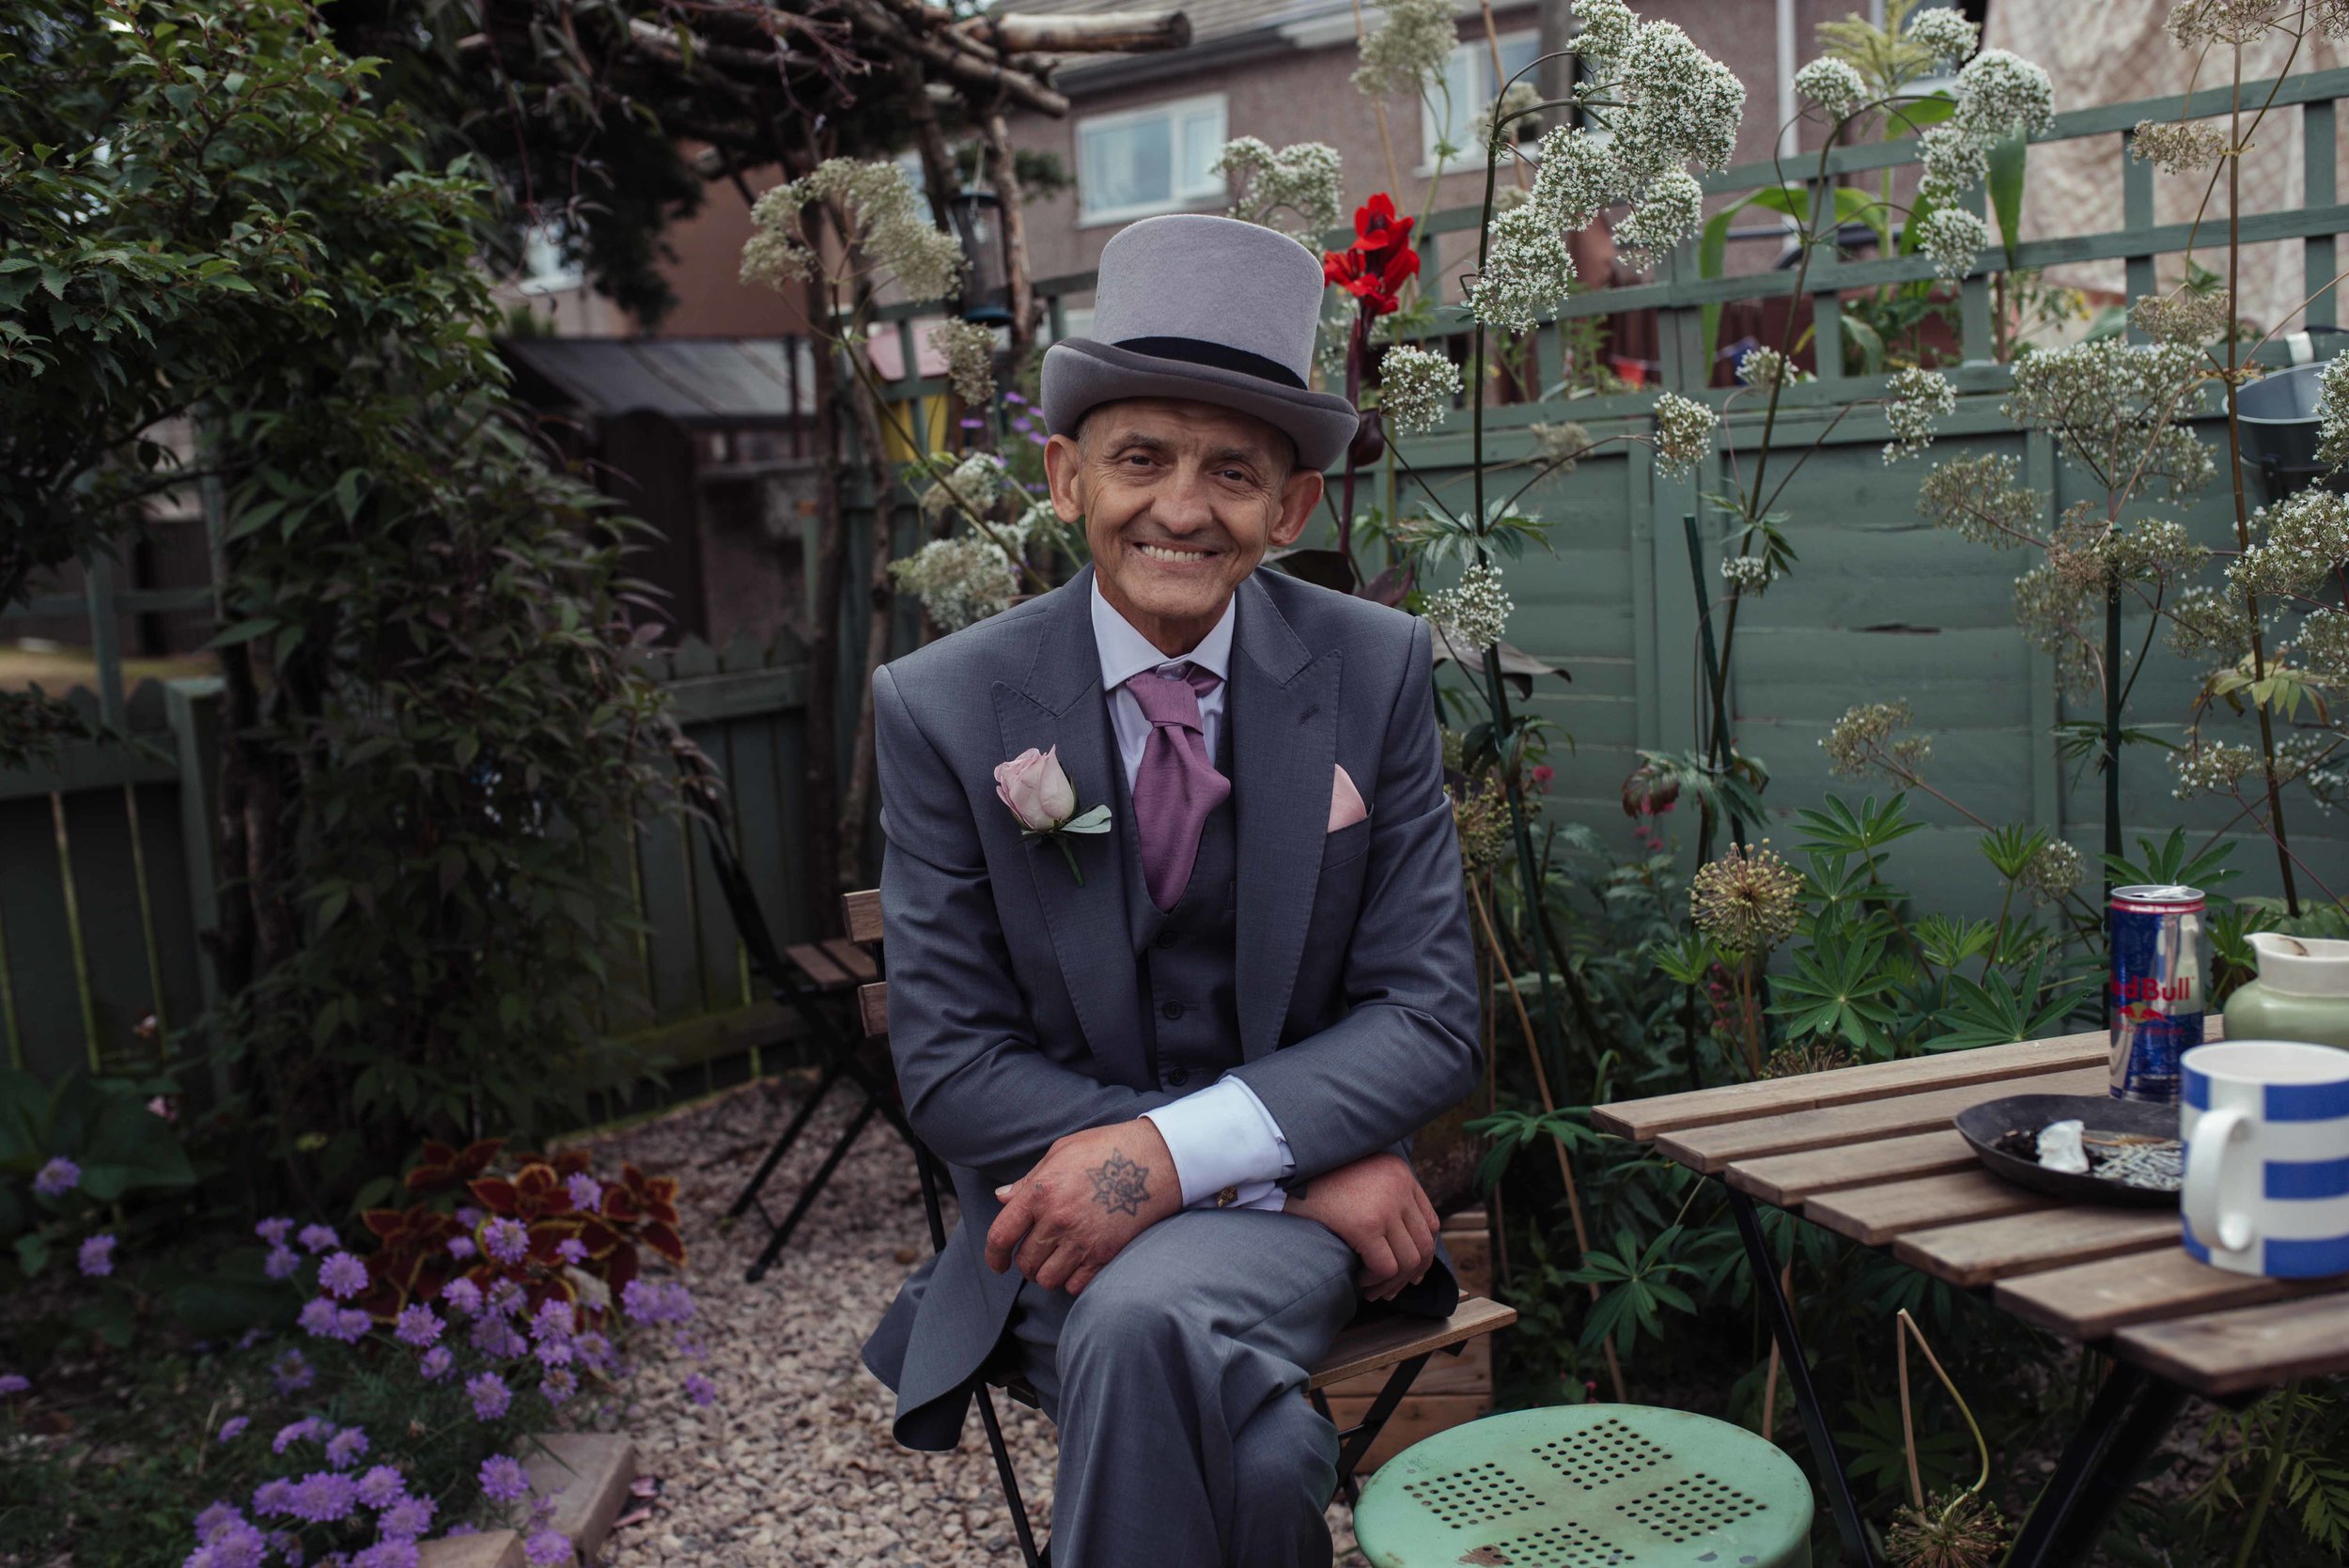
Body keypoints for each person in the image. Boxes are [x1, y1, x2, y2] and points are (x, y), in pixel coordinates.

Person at [860, 212, 1481, 1568]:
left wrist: (1168, 1165)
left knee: (1153, 1328)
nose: (1183, 508)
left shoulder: (1372, 672)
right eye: (1141, 458)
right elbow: (954, 1066)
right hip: (1066, 1234)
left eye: (1233, 471)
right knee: (1260, 1460)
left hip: (1253, 1248)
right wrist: (1274, 1172)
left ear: (1293, 506)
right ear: (1067, 474)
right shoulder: (946, 707)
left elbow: (1430, 1012)